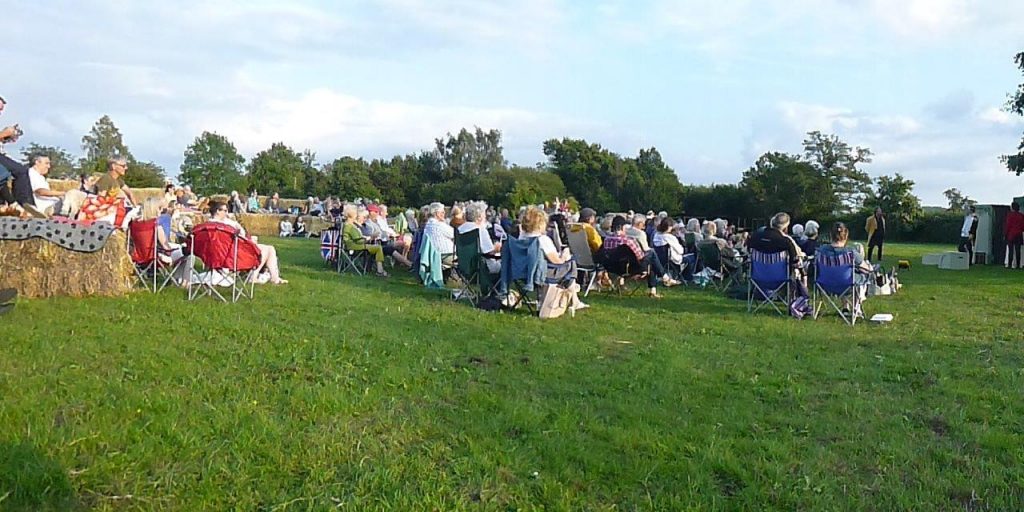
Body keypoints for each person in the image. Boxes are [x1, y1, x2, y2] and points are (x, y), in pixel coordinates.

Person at [208, 200, 288, 284]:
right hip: (232, 255)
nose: (226, 213)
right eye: (224, 211)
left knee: (269, 248)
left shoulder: (208, 226)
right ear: (217, 211)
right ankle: (254, 277)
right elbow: (240, 235)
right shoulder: (224, 225)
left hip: (218, 255)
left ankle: (274, 278)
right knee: (265, 250)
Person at [602, 215, 679, 297]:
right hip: (629, 269)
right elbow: (640, 256)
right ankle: (663, 280)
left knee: (651, 258)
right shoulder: (628, 241)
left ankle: (659, 285)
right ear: (621, 227)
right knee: (651, 254)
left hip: (611, 268)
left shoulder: (606, 239)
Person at [817, 222, 874, 313]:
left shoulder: (821, 251)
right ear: (846, 235)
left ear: (831, 235)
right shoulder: (850, 252)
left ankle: (845, 307)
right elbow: (867, 270)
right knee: (859, 276)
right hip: (846, 285)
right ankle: (856, 308)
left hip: (825, 285)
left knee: (841, 273)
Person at [520, 207, 577, 286]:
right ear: (540, 224)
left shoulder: (521, 238)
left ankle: (573, 296)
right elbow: (558, 262)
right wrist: (565, 254)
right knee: (572, 262)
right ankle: (572, 293)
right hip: (542, 274)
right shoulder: (542, 240)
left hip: (523, 273)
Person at [341, 203, 389, 277]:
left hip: (354, 245)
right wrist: (371, 237)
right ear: (352, 215)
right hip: (355, 247)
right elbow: (359, 241)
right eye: (356, 213)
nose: (357, 215)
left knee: (377, 247)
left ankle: (378, 269)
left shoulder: (348, 225)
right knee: (378, 248)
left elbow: (357, 238)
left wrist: (367, 238)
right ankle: (380, 270)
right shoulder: (350, 227)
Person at [459, 201, 502, 274]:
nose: (485, 216)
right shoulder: (480, 230)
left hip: (464, 266)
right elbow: (489, 252)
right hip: (482, 266)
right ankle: (502, 285)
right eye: (484, 214)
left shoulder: (460, 229)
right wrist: (497, 248)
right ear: (479, 217)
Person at [423, 202, 455, 266]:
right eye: (443, 212)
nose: (444, 214)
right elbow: (455, 235)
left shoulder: (428, 225)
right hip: (446, 256)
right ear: (437, 214)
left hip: (434, 255)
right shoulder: (439, 225)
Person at [1004, 202, 1024, 269]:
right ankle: (1018, 265)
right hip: (1019, 234)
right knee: (1018, 250)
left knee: (1011, 250)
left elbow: (1008, 225)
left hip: (1011, 234)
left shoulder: (1010, 215)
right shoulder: (1021, 215)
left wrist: (1005, 234)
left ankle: (1010, 264)